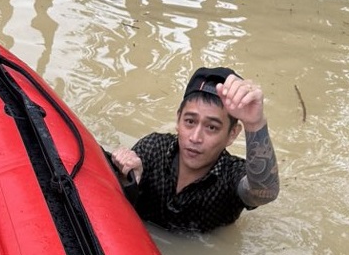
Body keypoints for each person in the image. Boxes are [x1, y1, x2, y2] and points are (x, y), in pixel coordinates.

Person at [110, 66, 281, 233]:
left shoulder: (231, 176)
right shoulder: (152, 149)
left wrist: (254, 123)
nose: (195, 138)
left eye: (212, 127)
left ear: (232, 134)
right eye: (190, 122)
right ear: (178, 120)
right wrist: (128, 178)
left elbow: (264, 193)